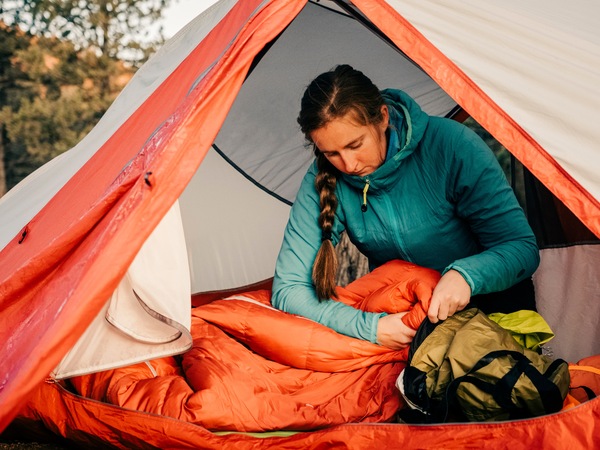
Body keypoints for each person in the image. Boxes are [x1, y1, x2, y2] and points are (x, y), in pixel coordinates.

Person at [271, 65, 539, 350]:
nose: (348, 166)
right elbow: (288, 290)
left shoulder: (452, 145)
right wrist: (371, 327)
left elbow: (521, 247)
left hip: (491, 305)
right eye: (331, 153)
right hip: (404, 319)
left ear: (383, 118)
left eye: (355, 144)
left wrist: (466, 276)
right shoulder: (323, 178)